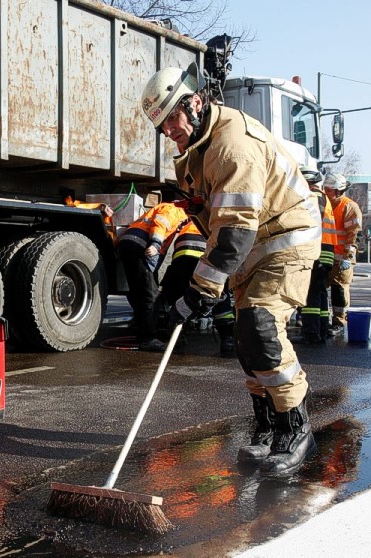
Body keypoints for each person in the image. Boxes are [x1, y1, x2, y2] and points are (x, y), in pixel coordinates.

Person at [141, 64, 321, 476]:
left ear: (196, 103)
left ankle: (296, 429)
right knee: (245, 338)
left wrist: (199, 291)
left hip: (284, 236)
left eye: (173, 117)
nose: (168, 130)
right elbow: (215, 219)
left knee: (260, 326)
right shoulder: (191, 154)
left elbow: (236, 228)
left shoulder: (232, 145)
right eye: (161, 124)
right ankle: (267, 426)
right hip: (252, 246)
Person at [159, 216, 235, 356]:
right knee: (218, 298)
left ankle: (177, 342)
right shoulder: (210, 222)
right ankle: (228, 340)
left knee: (181, 299)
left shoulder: (187, 226)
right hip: (205, 260)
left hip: (183, 259)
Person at [118, 201, 186, 351]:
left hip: (130, 244)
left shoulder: (163, 208)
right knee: (150, 295)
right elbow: (160, 223)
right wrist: (155, 243)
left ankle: (141, 326)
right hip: (141, 245)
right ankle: (147, 338)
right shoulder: (174, 210)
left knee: (139, 290)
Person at [294, 166, 337, 344]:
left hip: (317, 249)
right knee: (320, 292)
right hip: (325, 249)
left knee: (310, 291)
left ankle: (311, 333)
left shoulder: (314, 196)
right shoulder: (322, 197)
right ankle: (322, 329)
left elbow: (308, 222)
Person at [323, 173, 362, 337]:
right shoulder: (325, 204)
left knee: (339, 290)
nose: (326, 192)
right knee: (319, 290)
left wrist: (348, 256)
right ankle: (322, 321)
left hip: (342, 258)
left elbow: (355, 235)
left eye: (329, 190)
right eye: (325, 189)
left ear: (339, 191)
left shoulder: (349, 207)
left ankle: (339, 322)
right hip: (326, 255)